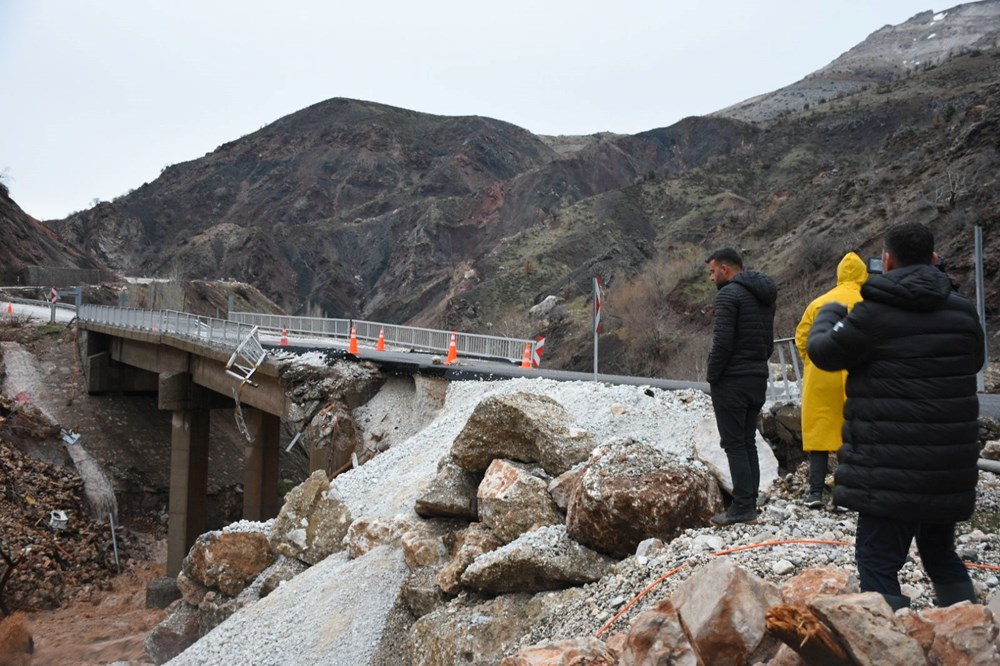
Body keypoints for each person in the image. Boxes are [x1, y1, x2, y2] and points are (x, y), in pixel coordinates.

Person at [807, 222, 984, 611]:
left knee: (877, 563)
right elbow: (975, 362)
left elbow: (823, 352)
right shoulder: (963, 311)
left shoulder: (872, 314)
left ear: (886, 261)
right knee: (940, 556)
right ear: (934, 259)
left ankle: (892, 646)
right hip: (945, 467)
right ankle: (971, 637)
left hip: (888, 470)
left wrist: (829, 314)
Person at [705, 247, 778, 526]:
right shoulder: (764, 296)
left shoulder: (728, 295)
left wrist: (713, 375)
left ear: (725, 269)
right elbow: (768, 343)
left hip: (732, 380)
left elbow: (722, 342)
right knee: (747, 440)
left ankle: (742, 507)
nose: (712, 278)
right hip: (757, 377)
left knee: (734, 442)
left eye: (713, 271)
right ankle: (749, 501)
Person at [794, 252, 868, 509]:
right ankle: (845, 495)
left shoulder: (818, 303)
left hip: (821, 374)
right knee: (852, 434)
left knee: (819, 434)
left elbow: (802, 338)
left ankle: (815, 493)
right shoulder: (868, 301)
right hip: (856, 376)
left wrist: (812, 360)